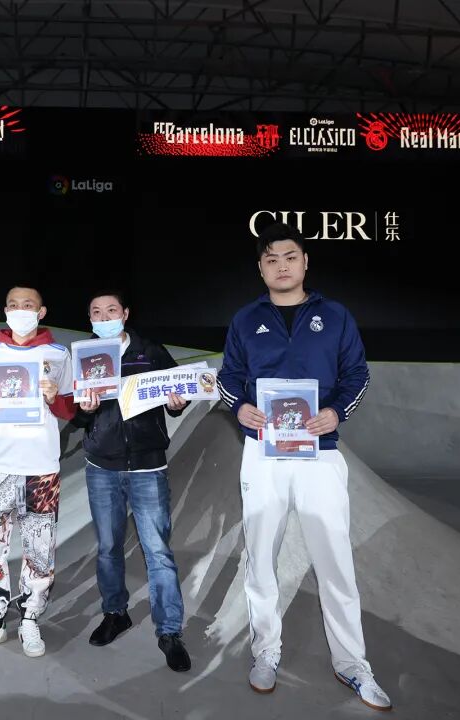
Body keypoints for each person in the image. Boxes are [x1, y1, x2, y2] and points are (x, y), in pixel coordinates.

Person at [218, 223, 391, 711]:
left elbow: (357, 374)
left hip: (321, 452)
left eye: (290, 257)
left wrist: (336, 412)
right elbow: (229, 377)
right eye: (271, 259)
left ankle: (352, 664)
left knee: (335, 560)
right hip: (263, 453)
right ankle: (266, 652)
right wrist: (239, 408)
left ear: (305, 262)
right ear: (260, 268)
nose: (281, 266)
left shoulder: (334, 316)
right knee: (261, 558)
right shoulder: (245, 319)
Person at [71, 290, 192, 672]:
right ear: (90, 319)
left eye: (111, 310)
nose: (104, 317)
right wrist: (83, 409)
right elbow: (75, 415)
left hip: (146, 466)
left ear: (124, 314)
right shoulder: (84, 357)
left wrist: (177, 402)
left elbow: (178, 395)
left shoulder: (150, 351)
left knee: (158, 550)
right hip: (102, 467)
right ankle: (115, 613)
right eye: (96, 312)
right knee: (108, 547)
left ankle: (169, 631)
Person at [0, 285, 75, 658]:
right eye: (12, 305)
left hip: (41, 468)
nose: (19, 310)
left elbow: (70, 410)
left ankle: (29, 618)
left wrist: (54, 397)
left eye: (27, 305)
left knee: (39, 549)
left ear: (41, 312)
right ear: (5, 310)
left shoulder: (58, 354)